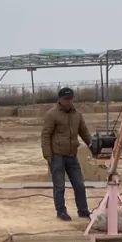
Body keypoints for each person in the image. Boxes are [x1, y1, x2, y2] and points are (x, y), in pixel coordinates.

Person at [41, 87, 92, 221]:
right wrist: (48, 155)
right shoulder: (52, 115)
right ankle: (61, 211)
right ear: (60, 99)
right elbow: (45, 135)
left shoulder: (77, 115)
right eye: (65, 99)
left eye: (70, 99)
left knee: (79, 184)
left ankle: (83, 210)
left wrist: (93, 146)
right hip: (57, 156)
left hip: (72, 156)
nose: (68, 102)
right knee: (59, 186)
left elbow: (84, 133)